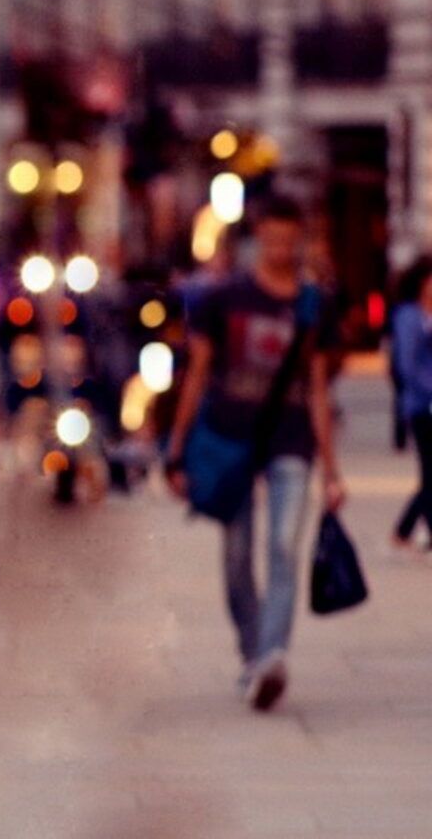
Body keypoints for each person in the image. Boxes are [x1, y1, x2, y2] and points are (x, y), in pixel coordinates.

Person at [162, 194, 344, 713]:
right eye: (272, 238)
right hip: (229, 437)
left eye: (290, 240)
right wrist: (176, 452)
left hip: (290, 438)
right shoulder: (224, 298)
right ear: (257, 237)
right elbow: (196, 374)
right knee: (237, 554)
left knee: (284, 545)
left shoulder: (312, 304)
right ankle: (251, 653)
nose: (281, 248)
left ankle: (272, 656)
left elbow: (316, 389)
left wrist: (331, 471)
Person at [393, 261, 432, 554]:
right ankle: (409, 530)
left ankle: (404, 529)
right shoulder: (409, 317)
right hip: (421, 405)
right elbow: (407, 364)